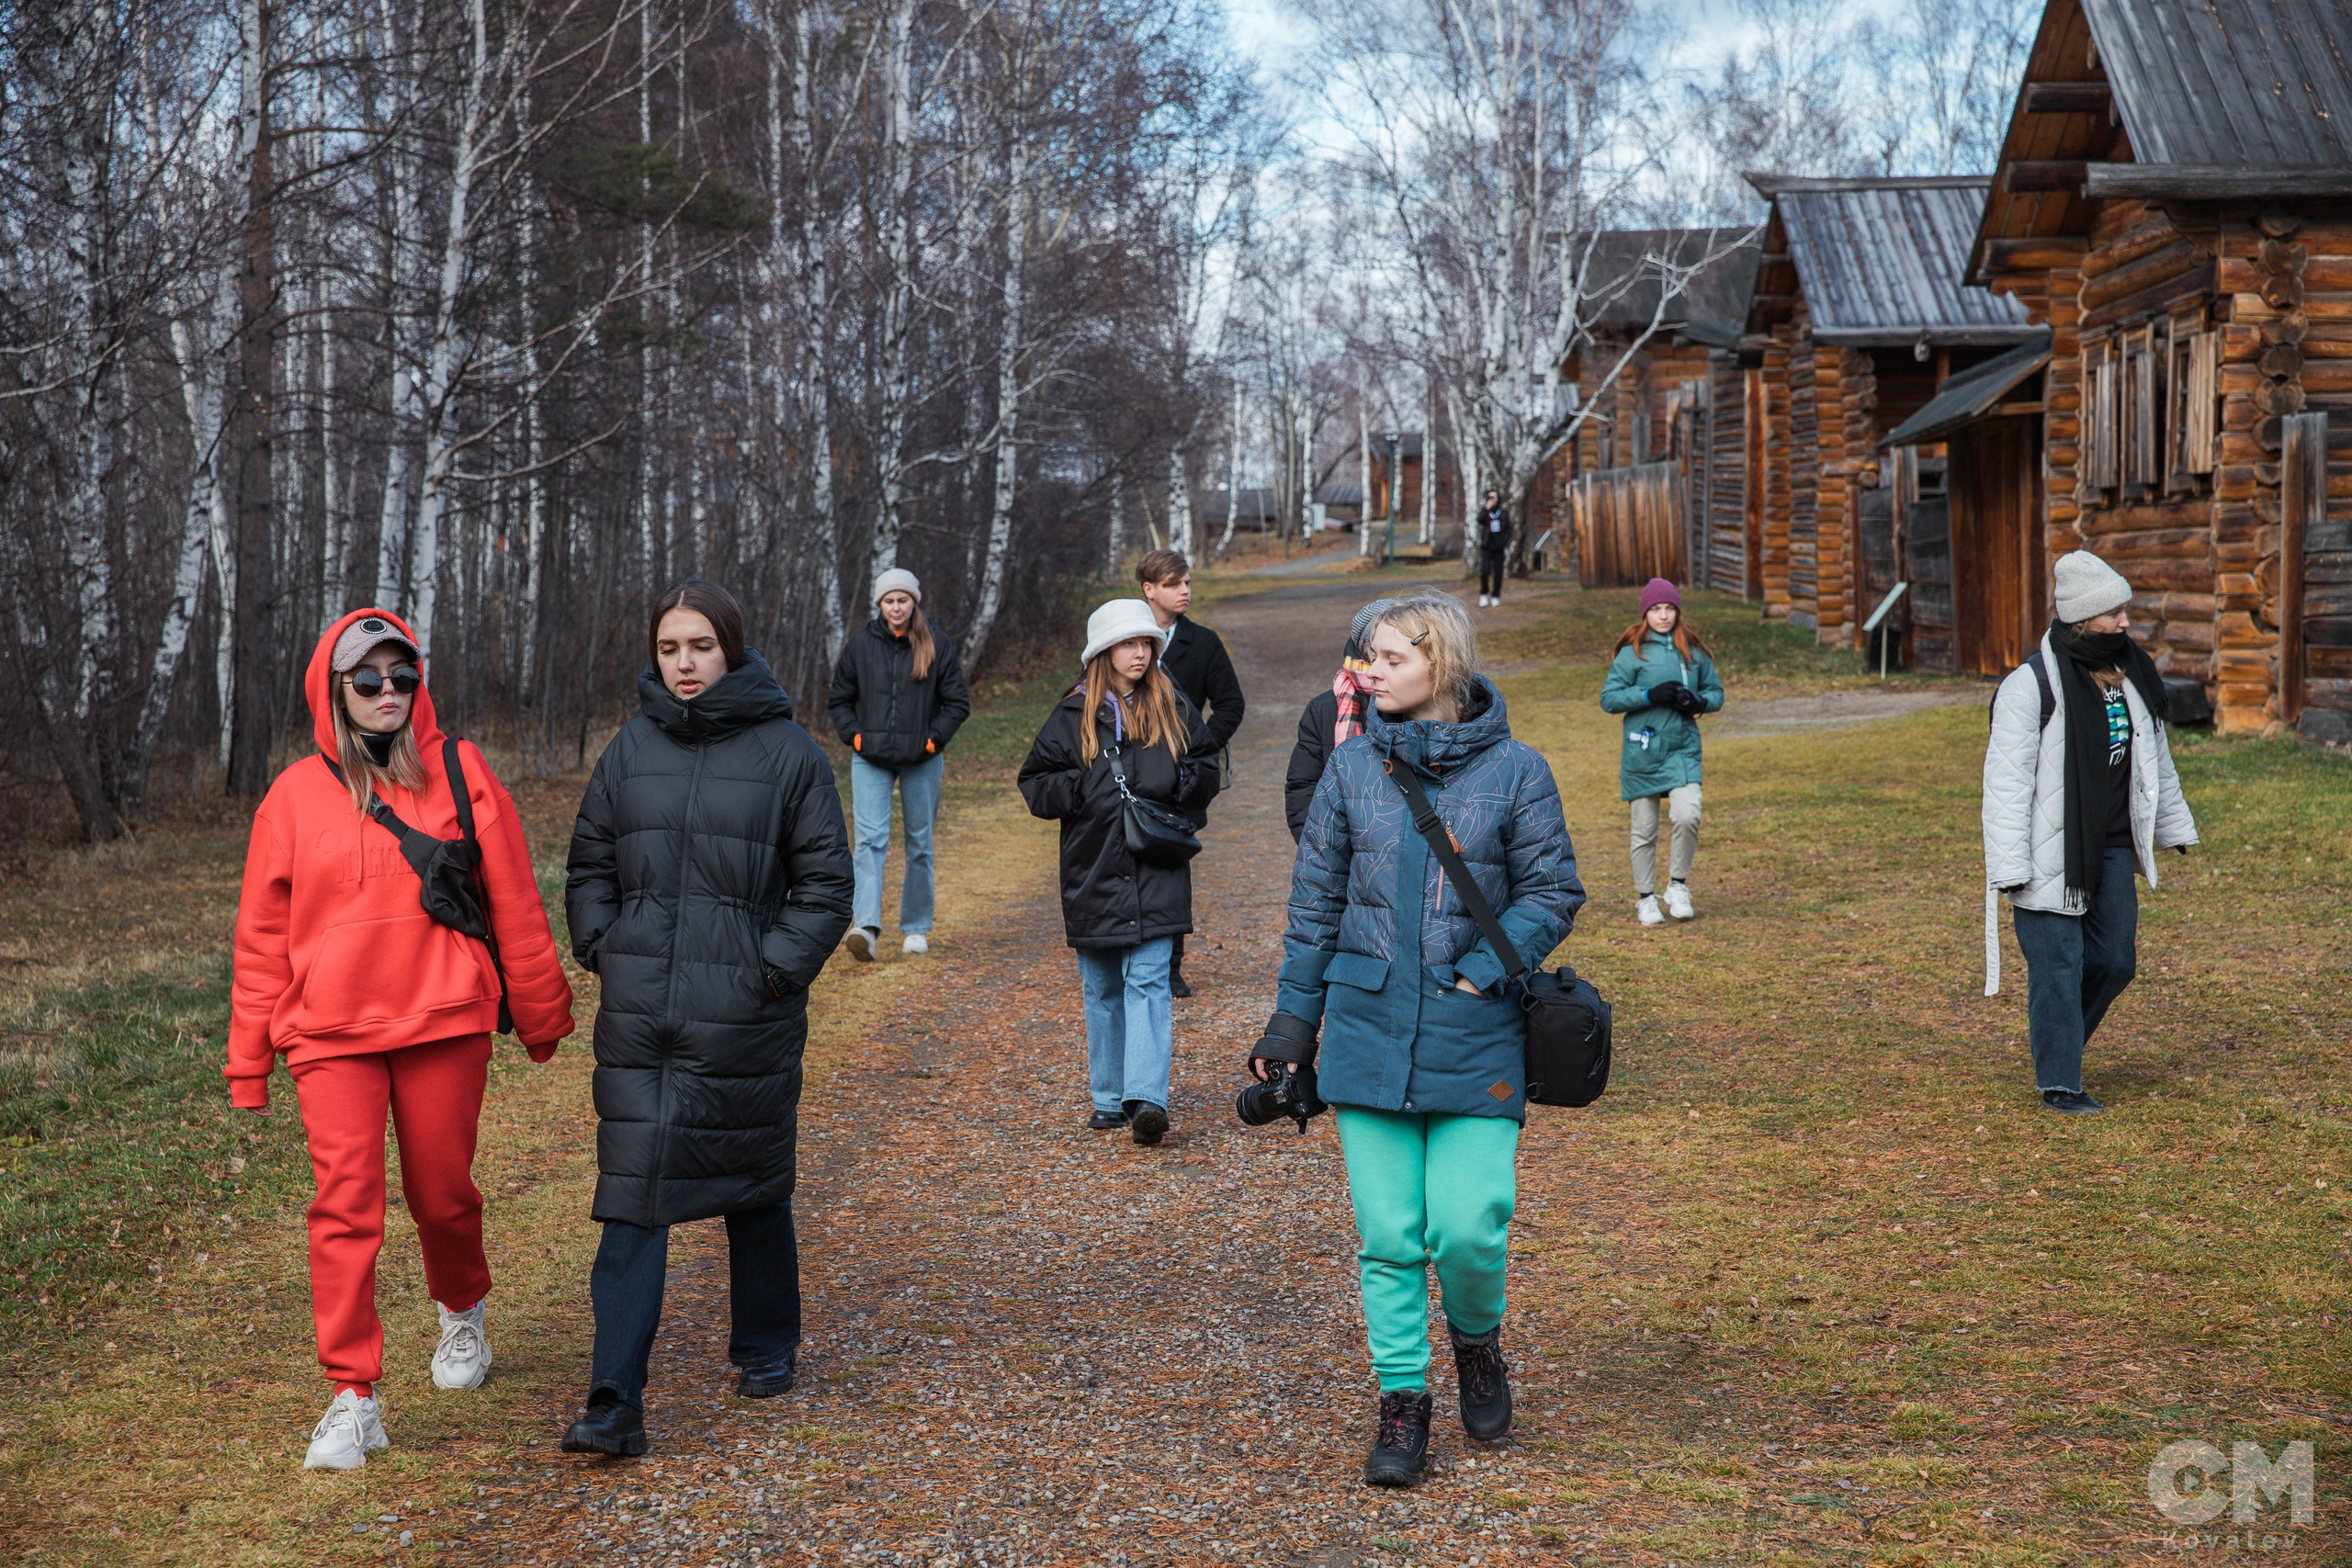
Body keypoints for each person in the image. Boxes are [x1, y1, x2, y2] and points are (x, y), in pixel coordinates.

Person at [227, 609, 576, 1472]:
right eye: (368, 679)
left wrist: (540, 1015)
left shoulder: (459, 771)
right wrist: (247, 1062)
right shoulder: (292, 796)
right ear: (333, 689)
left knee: (441, 1191)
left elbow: (516, 897)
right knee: (345, 1206)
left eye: (402, 677)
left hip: (443, 1017)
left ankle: (462, 1309)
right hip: (328, 1032)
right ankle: (353, 1396)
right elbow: (262, 936)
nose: (389, 693)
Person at [1257, 590, 1585, 1487]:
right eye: (1365, 658)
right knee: (1391, 1235)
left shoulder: (1520, 772)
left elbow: (1553, 891)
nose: (1368, 673)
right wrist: (1292, 1027)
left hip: (1476, 1039)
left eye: (1388, 657)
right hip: (1365, 1037)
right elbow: (1314, 908)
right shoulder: (1350, 771)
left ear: (1439, 661)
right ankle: (1403, 1399)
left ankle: (1476, 1343)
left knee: (1470, 1225)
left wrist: (1488, 963)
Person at [560, 580, 853, 1456]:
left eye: (700, 647)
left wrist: (770, 974)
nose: (684, 664)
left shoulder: (788, 754)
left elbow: (827, 888)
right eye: (668, 649)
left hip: (745, 1016)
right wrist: (603, 945)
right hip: (643, 1013)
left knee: (752, 1181)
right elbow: (589, 863)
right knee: (632, 1196)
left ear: (731, 647)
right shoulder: (628, 750)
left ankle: (766, 1344)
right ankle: (615, 1400)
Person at [1984, 551, 2197, 1115]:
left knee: (2115, 961)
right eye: (2114, 613)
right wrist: (2008, 866)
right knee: (2059, 966)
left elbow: (2155, 759)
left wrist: (2174, 824)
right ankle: (2060, 1081)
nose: (2126, 622)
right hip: (2048, 852)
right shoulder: (2029, 686)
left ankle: (2059, 1044)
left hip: (2111, 845)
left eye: (2125, 610)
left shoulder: (2130, 675)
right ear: (2083, 618)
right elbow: (2004, 785)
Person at [1017, 598, 1221, 1145]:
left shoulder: (1173, 704)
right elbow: (1034, 783)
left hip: (1157, 867)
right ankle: (1109, 1099)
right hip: (1092, 870)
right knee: (1102, 987)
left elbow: (1207, 764)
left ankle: (1148, 1098)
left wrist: (1182, 786)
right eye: (1129, 644)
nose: (1140, 653)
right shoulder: (1070, 716)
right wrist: (1078, 790)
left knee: (1149, 981)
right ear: (1103, 652)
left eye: (1146, 643)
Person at [827, 568, 972, 961]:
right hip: (869, 758)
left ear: (914, 602)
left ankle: (915, 928)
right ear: (879, 604)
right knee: (870, 843)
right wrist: (856, 737)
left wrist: (931, 739)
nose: (896, 607)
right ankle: (865, 928)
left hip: (921, 759)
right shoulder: (860, 646)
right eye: (889, 601)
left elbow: (957, 703)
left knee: (919, 843)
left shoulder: (936, 642)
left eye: (903, 600)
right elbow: (839, 700)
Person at [1138, 548, 1244, 997]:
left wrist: (1194, 750)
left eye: (1187, 583)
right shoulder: (1123, 639)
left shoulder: (1203, 643)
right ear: (1149, 590)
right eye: (1173, 584)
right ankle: (1123, 953)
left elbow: (1231, 705)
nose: (1184, 591)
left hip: (1180, 781)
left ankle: (1169, 965)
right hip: (1123, 774)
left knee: (1171, 867)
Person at [1599, 579, 1723, 927]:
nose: (1664, 615)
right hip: (1643, 751)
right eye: (1656, 609)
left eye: (1669, 609)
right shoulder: (1632, 653)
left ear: (1677, 612)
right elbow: (1609, 699)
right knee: (1644, 830)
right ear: (1645, 613)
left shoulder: (1693, 653)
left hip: (1683, 750)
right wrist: (1649, 695)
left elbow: (1716, 693)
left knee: (1688, 815)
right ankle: (1645, 898)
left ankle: (1678, 886)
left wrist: (1699, 701)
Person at [1283, 596, 1395, 841]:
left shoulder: (1430, 701)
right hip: (1345, 852)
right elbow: (1304, 789)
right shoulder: (1324, 709)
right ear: (1366, 648)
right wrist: (1322, 853)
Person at [1473, 490, 1510, 607]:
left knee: (1498, 573)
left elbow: (1509, 529)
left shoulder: (1503, 513)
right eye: (1491, 497)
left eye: (1495, 497)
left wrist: (1504, 541)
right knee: (1485, 571)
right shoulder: (1485, 512)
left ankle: (1495, 596)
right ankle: (1483, 594)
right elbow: (1478, 520)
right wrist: (1486, 508)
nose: (1493, 500)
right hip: (1486, 548)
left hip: (1499, 548)